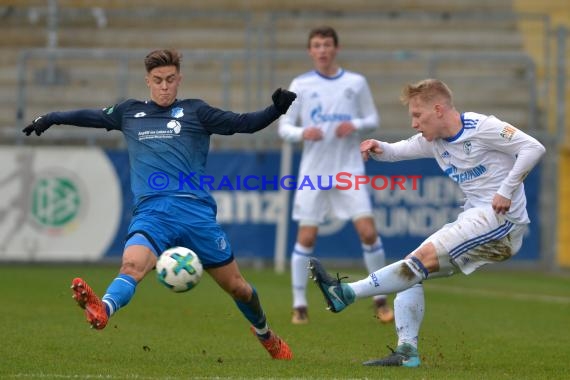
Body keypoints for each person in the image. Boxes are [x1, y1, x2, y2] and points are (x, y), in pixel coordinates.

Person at [22, 49, 297, 360]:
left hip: (195, 213)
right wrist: (51, 118)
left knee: (239, 288)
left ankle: (266, 335)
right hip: (153, 213)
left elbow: (243, 123)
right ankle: (103, 309)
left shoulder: (197, 112)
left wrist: (275, 110)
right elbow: (90, 116)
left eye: (169, 80)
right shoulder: (129, 112)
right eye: (157, 81)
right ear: (147, 81)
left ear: (179, 80)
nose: (164, 86)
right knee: (131, 266)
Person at [309, 78, 545, 367]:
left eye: (417, 115)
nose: (414, 123)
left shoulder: (482, 127)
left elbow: (534, 148)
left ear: (438, 109)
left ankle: (345, 294)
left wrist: (506, 190)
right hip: (480, 218)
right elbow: (398, 151)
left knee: (416, 263)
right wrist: (376, 145)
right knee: (411, 271)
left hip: (501, 221)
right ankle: (407, 353)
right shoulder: (434, 142)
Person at [278, 25, 393, 325]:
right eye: (316, 45)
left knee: (368, 232)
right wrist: (305, 131)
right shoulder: (300, 84)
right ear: (310, 51)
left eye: (327, 45)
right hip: (314, 173)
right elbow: (284, 128)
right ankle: (299, 304)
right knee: (306, 236)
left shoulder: (355, 83)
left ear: (336, 48)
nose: (322, 50)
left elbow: (372, 119)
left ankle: (380, 298)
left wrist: (354, 125)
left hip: (348, 170)